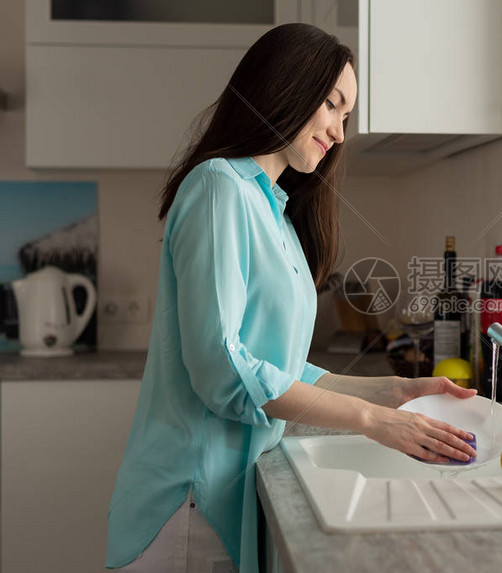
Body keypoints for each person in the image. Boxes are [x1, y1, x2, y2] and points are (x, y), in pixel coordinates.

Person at [105, 23, 477, 573]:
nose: (340, 133)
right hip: (189, 497)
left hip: (227, 493)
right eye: (332, 105)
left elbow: (281, 368)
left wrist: (394, 392)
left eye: (346, 117)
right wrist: (372, 422)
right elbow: (223, 371)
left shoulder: (273, 211)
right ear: (287, 86)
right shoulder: (218, 185)